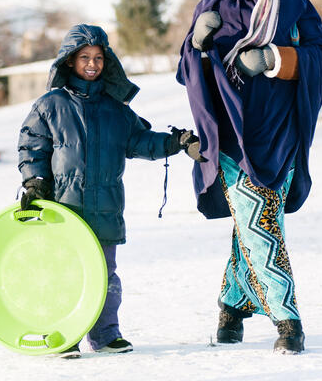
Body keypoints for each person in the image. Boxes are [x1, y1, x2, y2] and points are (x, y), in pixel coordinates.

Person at [176, 0, 322, 354]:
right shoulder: (211, 6)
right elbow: (186, 72)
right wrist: (196, 45)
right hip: (231, 140)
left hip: (281, 133)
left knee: (254, 224)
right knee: (259, 225)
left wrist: (276, 59)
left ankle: (231, 310)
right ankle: (288, 322)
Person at [18, 24, 201, 359]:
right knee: (62, 274)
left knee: (106, 276)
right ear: (70, 61)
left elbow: (142, 141)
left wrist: (177, 141)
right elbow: (32, 147)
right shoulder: (51, 105)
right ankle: (64, 333)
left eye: (98, 58)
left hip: (105, 207)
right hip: (64, 209)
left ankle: (105, 334)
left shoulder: (116, 109)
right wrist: (34, 182)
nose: (92, 64)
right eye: (85, 57)